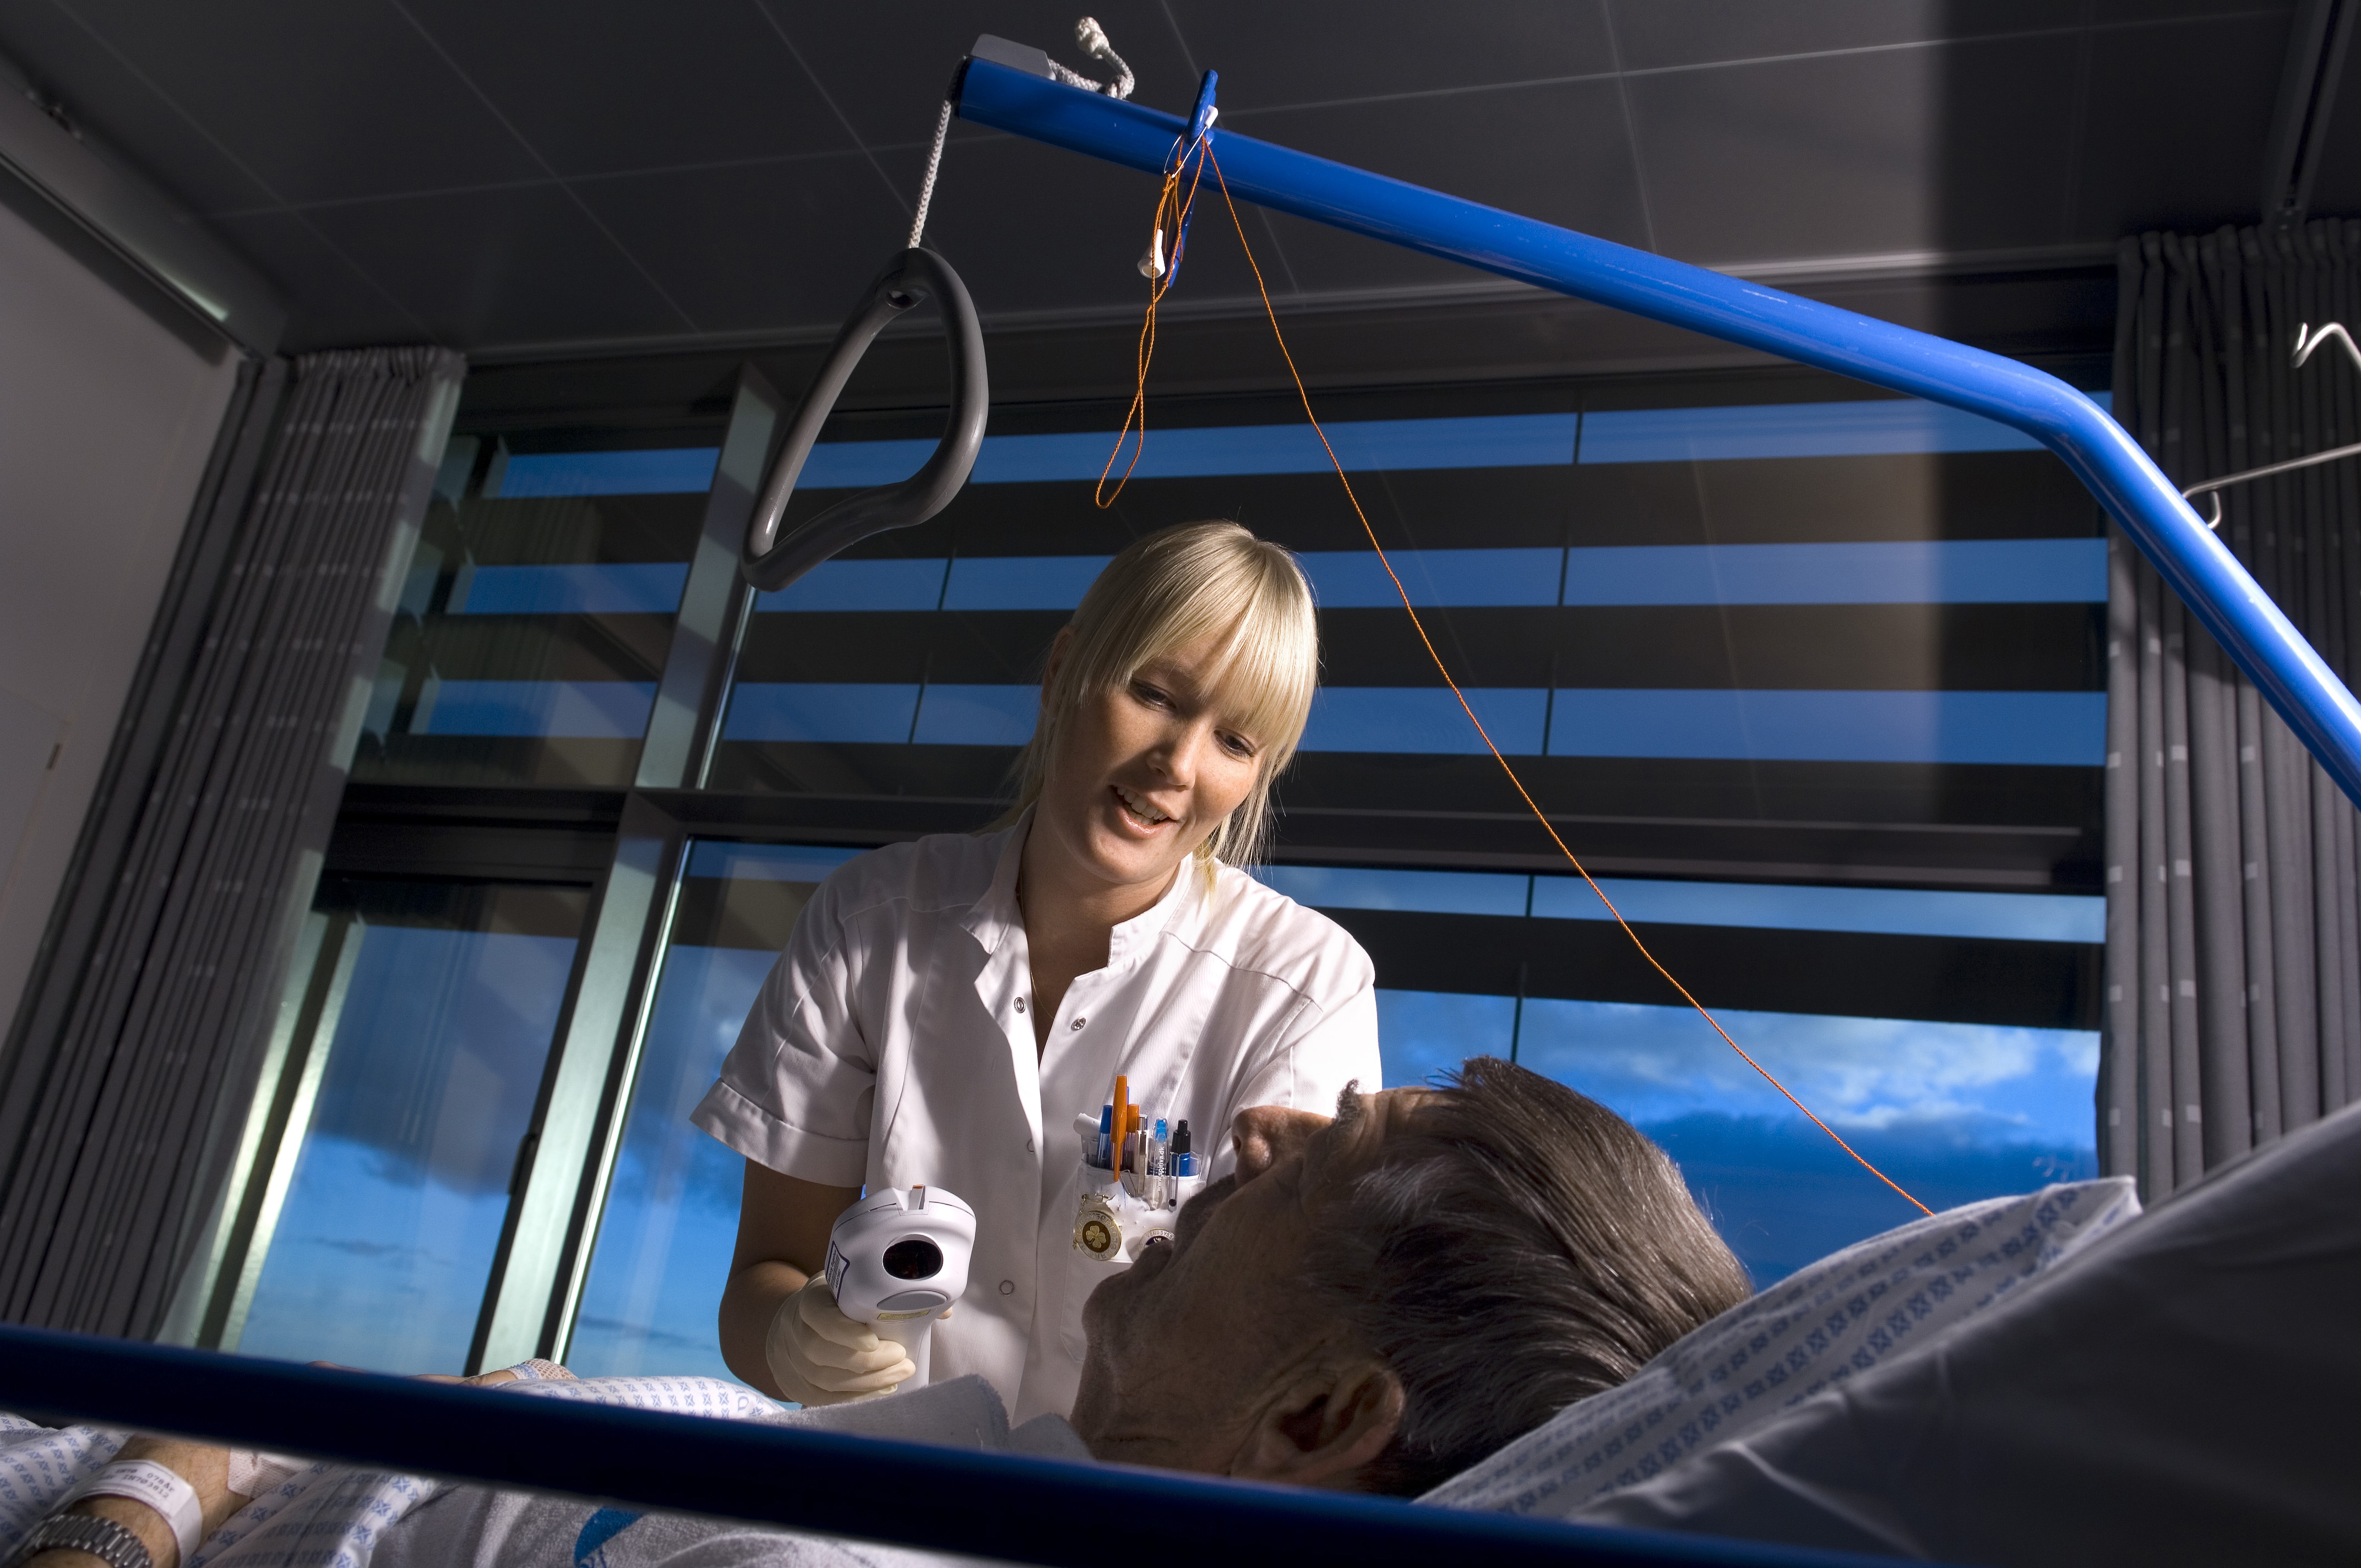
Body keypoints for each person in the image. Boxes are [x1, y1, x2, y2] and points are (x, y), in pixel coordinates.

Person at [0, 1062, 1752, 1568]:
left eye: (1326, 1156)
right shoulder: (956, 1475)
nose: (1266, 1123)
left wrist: (150, 1489)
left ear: (1316, 1418)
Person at [697, 521, 1381, 1424]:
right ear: (1064, 672)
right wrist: (794, 1337)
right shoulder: (869, 923)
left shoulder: (1303, 987)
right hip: (877, 1484)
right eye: (1155, 694)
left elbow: (1283, 1354)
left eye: (1234, 741)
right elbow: (763, 1280)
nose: (1177, 765)